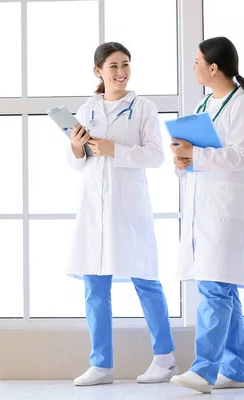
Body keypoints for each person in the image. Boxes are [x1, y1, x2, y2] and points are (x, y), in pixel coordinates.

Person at [66, 42, 177, 386]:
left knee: (145, 279)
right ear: (98, 71)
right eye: (113, 66)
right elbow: (77, 163)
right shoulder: (87, 109)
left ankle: (165, 358)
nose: (120, 72)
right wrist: (75, 147)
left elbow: (156, 155)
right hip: (94, 206)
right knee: (94, 283)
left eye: (125, 64)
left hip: (129, 207)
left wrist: (117, 150)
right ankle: (101, 365)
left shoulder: (143, 107)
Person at [169, 36, 244, 394]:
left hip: (227, 208)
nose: (192, 67)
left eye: (196, 62)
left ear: (214, 67)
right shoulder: (206, 101)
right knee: (223, 289)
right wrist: (183, 160)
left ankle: (204, 369)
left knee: (214, 287)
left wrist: (198, 156)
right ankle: (236, 370)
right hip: (203, 205)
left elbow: (241, 157)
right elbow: (198, 156)